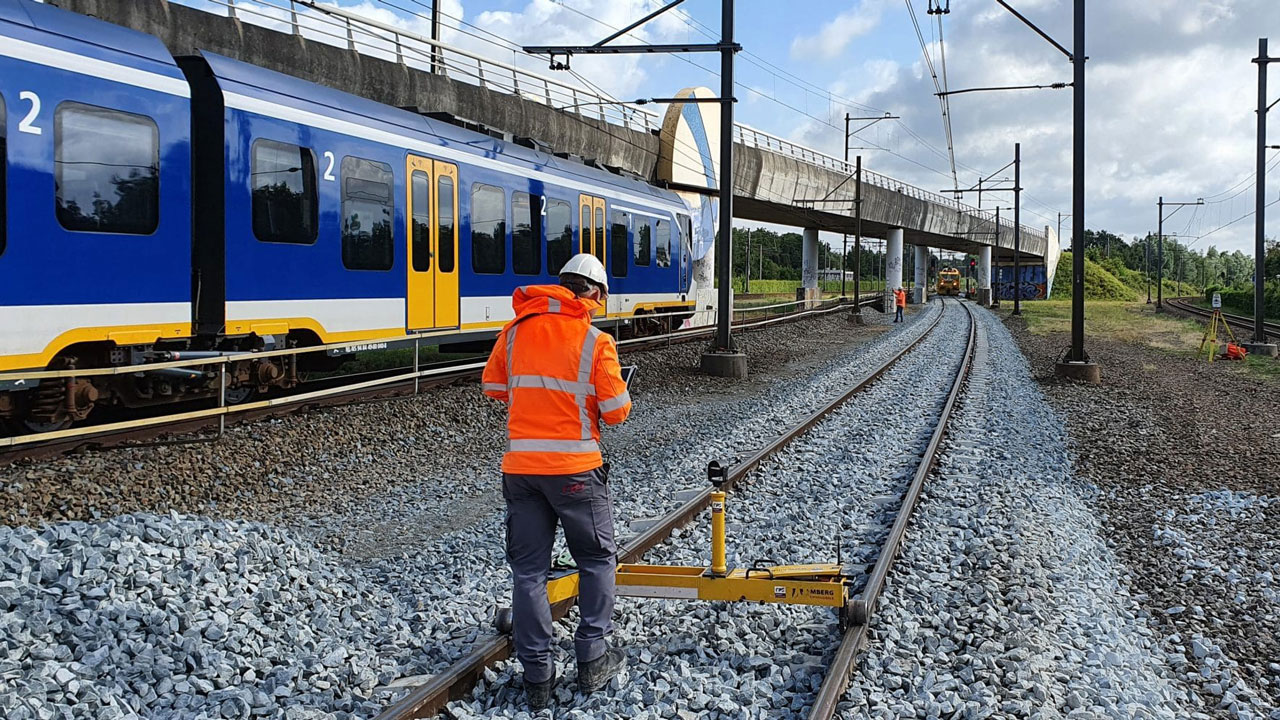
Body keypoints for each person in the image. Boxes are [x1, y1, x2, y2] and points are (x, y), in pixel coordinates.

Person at [482, 253, 632, 710]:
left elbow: (494, 388)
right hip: (575, 472)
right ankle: (592, 659)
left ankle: (537, 677)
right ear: (595, 294)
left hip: (522, 471)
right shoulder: (594, 340)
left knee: (528, 571)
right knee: (596, 558)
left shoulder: (514, 332)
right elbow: (617, 412)